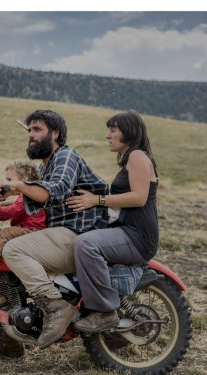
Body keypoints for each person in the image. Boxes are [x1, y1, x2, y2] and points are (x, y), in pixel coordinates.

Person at [0, 110, 108, 358]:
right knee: (3, 264)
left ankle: (56, 308)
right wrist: (3, 197)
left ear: (55, 133)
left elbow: (55, 190)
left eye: (37, 129)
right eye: (29, 130)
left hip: (80, 236)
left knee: (13, 249)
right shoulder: (43, 167)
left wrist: (18, 186)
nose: (31, 135)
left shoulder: (66, 156)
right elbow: (33, 196)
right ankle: (10, 340)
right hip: (61, 235)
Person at [66, 110, 158, 333]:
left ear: (128, 133)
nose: (108, 135)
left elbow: (139, 197)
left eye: (113, 130)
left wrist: (96, 200)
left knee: (87, 244)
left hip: (137, 236)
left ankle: (104, 311)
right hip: (127, 232)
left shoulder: (138, 156)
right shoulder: (131, 158)